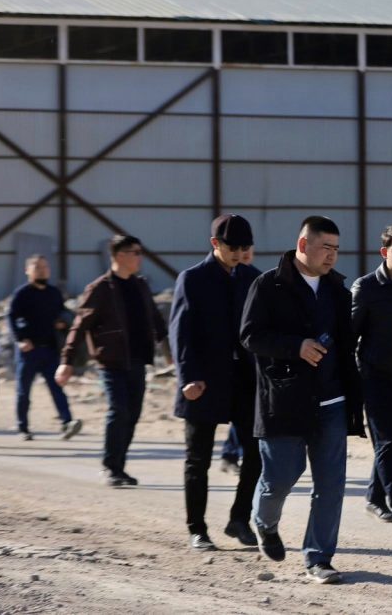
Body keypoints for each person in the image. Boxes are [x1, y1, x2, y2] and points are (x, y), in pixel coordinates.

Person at [240, 216, 364, 585]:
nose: (332, 255)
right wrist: (295, 346)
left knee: (331, 484)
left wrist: (357, 395)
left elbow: (347, 347)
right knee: (281, 476)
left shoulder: (338, 291)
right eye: (325, 247)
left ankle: (319, 557)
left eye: (336, 248)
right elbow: (250, 336)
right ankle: (264, 521)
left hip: (332, 401)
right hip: (285, 400)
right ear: (303, 245)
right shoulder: (268, 285)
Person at [170, 215, 262, 551]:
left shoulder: (253, 278)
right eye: (232, 247)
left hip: (245, 381)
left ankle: (239, 519)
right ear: (215, 244)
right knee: (198, 459)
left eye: (244, 247)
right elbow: (180, 334)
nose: (238, 253)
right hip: (203, 381)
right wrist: (188, 377)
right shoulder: (193, 279)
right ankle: (197, 528)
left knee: (256, 453)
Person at [57, 235, 167, 486]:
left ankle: (119, 466)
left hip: (137, 360)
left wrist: (170, 349)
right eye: (135, 252)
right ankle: (110, 467)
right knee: (119, 410)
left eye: (140, 252)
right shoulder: (101, 288)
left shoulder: (140, 285)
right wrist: (67, 360)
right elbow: (80, 325)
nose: (140, 257)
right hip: (111, 361)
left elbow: (156, 319)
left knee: (133, 414)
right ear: (119, 256)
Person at [351, 224, 392, 529]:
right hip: (375, 378)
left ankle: (374, 498)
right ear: (384, 252)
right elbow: (350, 335)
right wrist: (353, 378)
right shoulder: (366, 288)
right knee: (388, 442)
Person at [8, 255, 82, 441]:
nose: (42, 271)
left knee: (57, 387)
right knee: (24, 391)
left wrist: (63, 323)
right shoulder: (22, 294)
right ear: (28, 271)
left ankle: (67, 423)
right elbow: (11, 317)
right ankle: (23, 427)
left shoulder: (54, 293)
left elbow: (62, 312)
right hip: (28, 352)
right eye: (37, 267)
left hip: (50, 349)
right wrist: (20, 339)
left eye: (45, 267)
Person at [220, 244, 258, 476]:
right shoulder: (226, 280)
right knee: (243, 412)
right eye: (237, 248)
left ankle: (231, 454)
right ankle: (231, 454)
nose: (244, 253)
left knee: (247, 412)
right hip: (231, 359)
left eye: (247, 248)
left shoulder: (255, 279)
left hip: (251, 357)